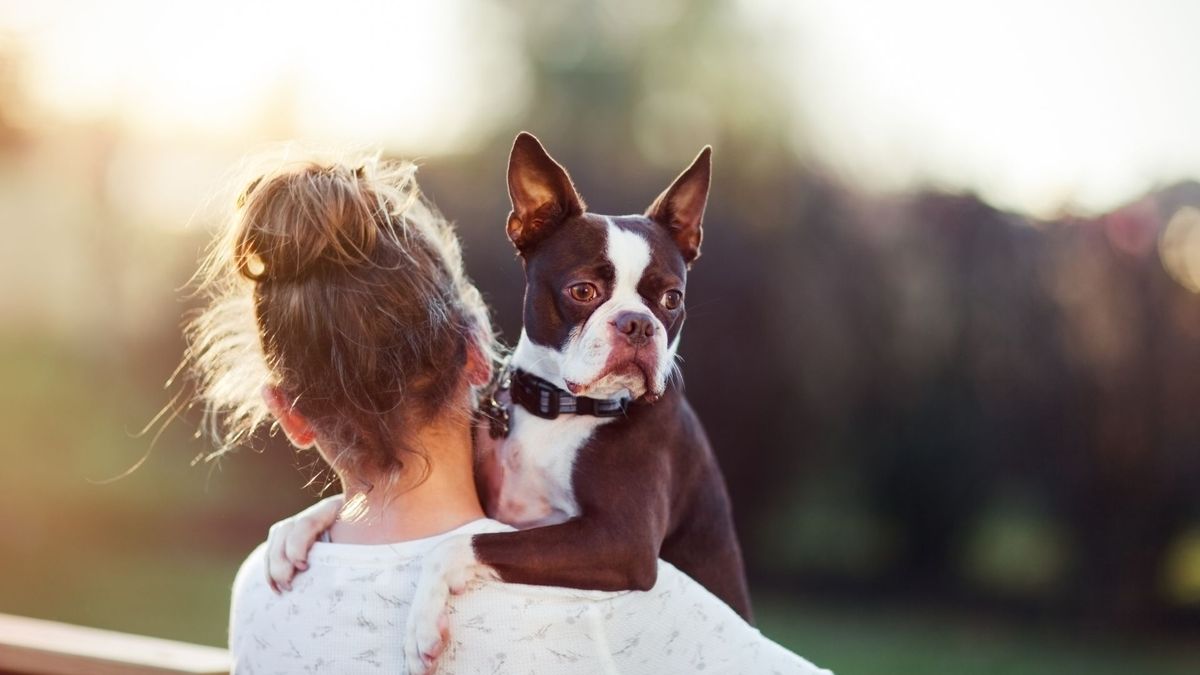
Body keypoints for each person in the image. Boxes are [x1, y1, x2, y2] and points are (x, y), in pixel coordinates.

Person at [187, 153, 831, 674]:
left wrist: (334, 515)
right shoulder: (604, 618)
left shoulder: (262, 588)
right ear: (477, 356)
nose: (635, 323)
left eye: (662, 301)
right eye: (586, 292)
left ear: (292, 414)